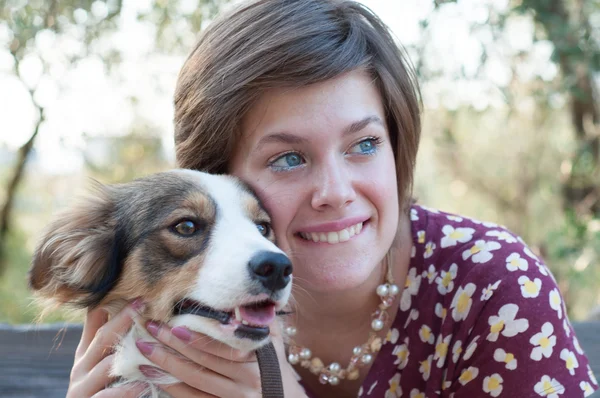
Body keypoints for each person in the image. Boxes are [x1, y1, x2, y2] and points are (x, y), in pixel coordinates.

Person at [66, 0, 598, 397]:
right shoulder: (183, 326)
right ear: (213, 180)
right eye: (288, 158)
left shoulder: (493, 286)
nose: (336, 194)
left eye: (364, 145)